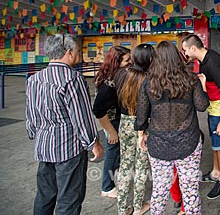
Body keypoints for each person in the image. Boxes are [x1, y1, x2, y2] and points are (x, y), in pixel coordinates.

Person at [26, 34, 103, 214]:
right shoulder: (72, 78)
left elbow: (31, 115)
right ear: (68, 52)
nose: (79, 55)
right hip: (69, 149)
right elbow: (81, 117)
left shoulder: (34, 79)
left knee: (45, 196)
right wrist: (93, 143)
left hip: (43, 147)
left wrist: (35, 134)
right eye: (77, 51)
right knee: (69, 200)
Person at [135, 41, 209, 214]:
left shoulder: (149, 83)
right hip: (188, 142)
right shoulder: (191, 79)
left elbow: (141, 114)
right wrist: (203, 85)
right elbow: (202, 106)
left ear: (157, 59)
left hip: (158, 144)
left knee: (159, 191)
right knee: (190, 191)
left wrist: (141, 135)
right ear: (177, 57)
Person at [181, 34, 220, 199]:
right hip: (214, 107)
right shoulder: (204, 60)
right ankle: (215, 172)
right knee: (215, 143)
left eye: (185, 50)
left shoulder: (212, 63)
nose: (185, 53)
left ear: (193, 48)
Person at [114, 44, 155, 215]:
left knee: (125, 165)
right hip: (143, 125)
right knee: (141, 167)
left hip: (124, 123)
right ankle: (138, 207)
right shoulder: (150, 78)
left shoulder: (121, 75)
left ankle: (123, 209)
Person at [93, 46, 132, 198]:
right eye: (126, 60)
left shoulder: (114, 75)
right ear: (117, 62)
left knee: (116, 153)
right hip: (111, 123)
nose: (130, 62)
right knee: (112, 153)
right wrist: (111, 131)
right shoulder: (108, 85)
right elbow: (97, 110)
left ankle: (112, 183)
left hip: (114, 121)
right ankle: (107, 187)